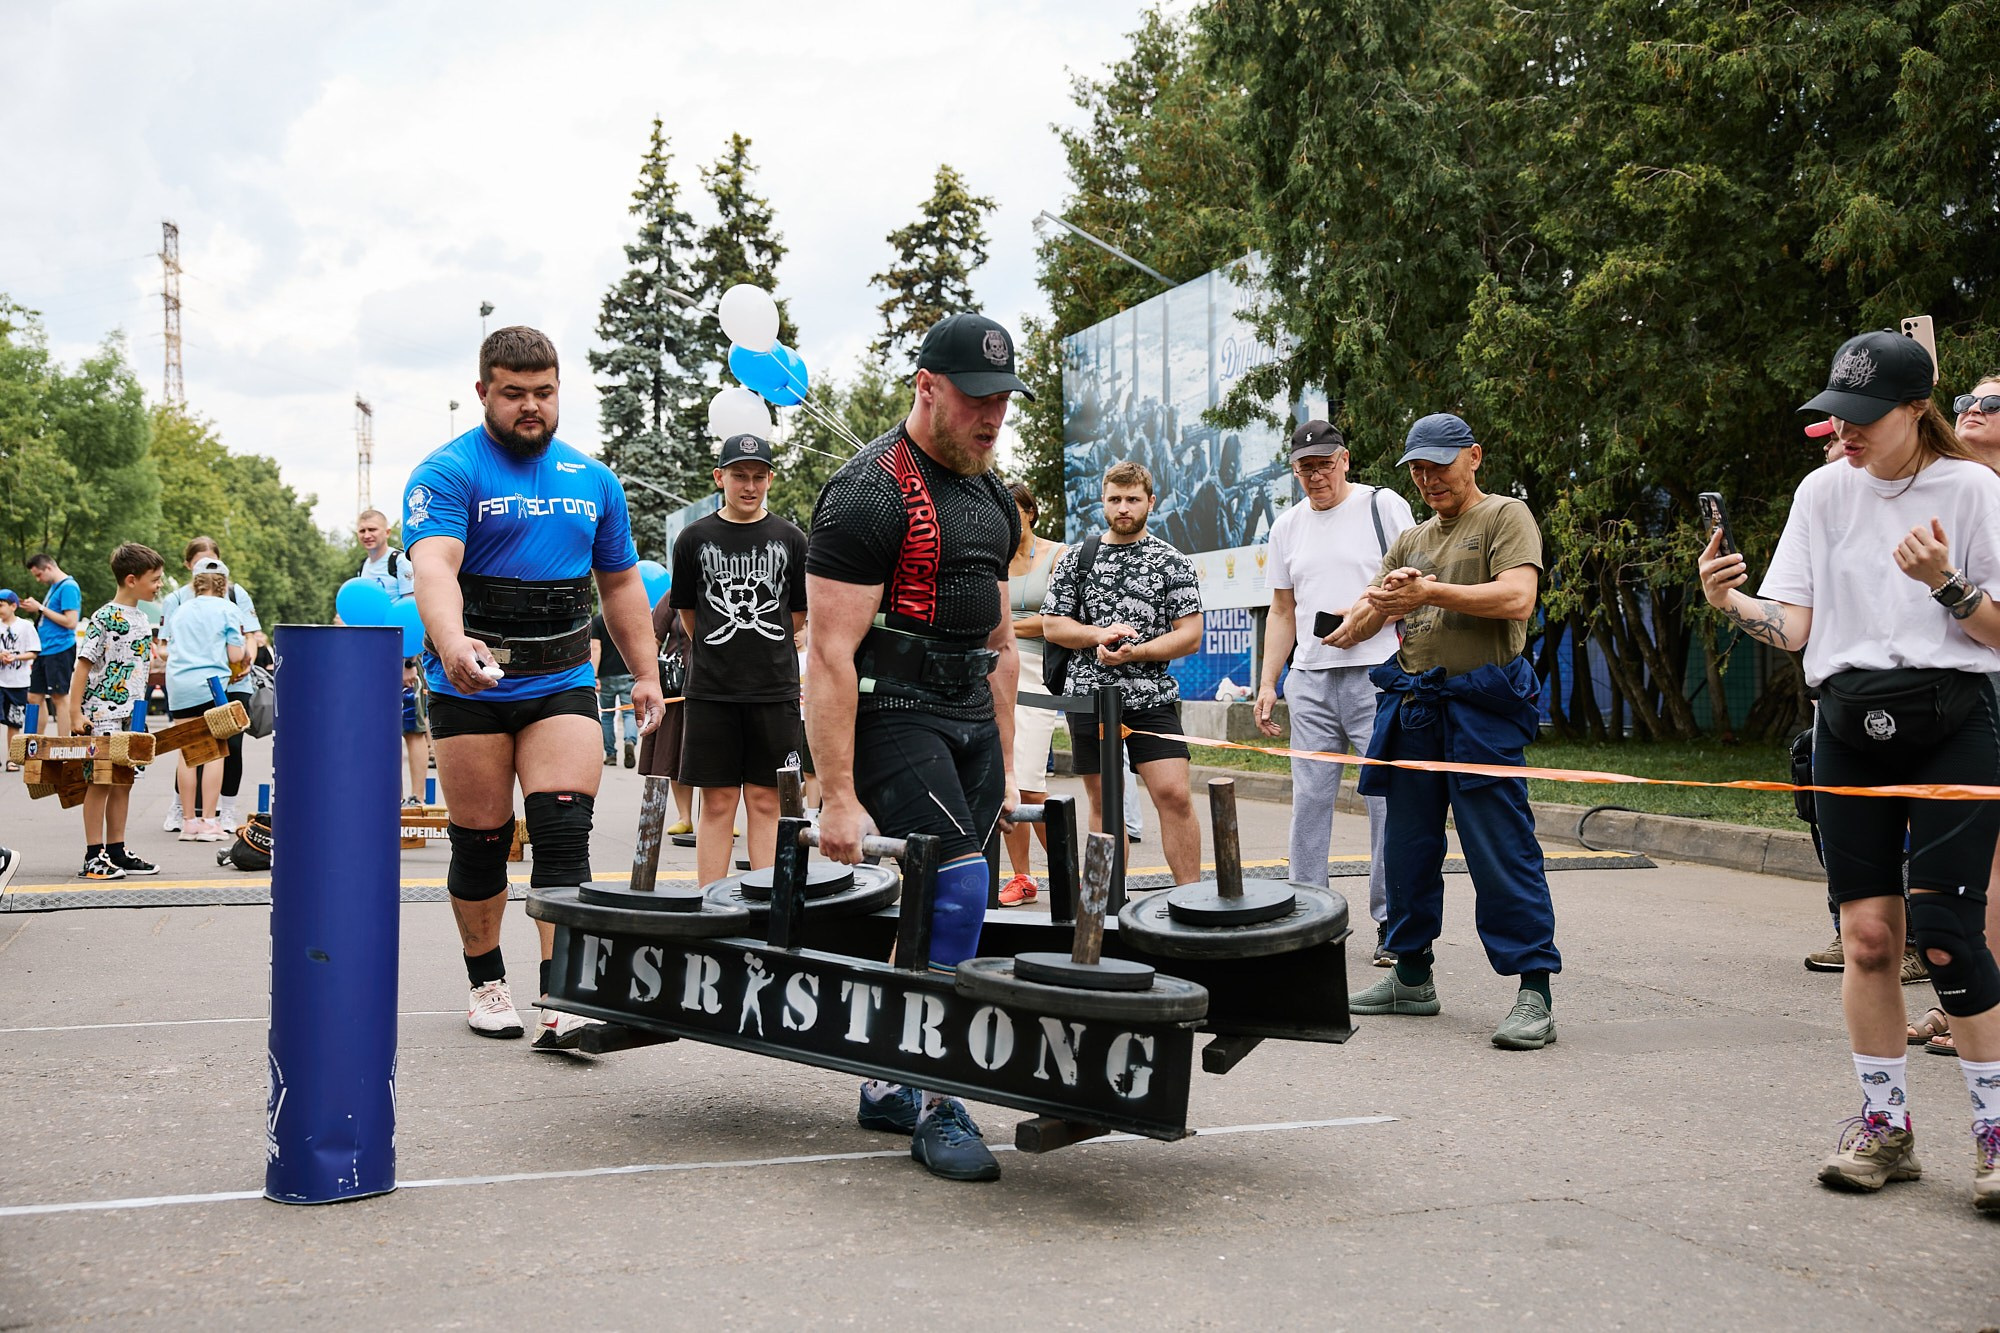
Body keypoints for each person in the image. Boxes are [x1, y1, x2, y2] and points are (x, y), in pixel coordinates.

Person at [1698, 330, 2000, 1212]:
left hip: (1953, 723)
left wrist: (1947, 583)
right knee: (1867, 938)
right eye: (1837, 414)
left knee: (1945, 932)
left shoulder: (1974, 490)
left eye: (1864, 417)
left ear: (1917, 410)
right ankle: (1884, 1126)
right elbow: (1793, 627)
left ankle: (1993, 1133)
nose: (1846, 431)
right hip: (1847, 724)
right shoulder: (1822, 491)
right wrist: (1727, 600)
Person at [806, 311, 1025, 1183]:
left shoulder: (992, 496)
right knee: (958, 890)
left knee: (951, 901)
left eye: (1003, 400)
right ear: (926, 388)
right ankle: (939, 1100)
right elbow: (828, 654)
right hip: (891, 711)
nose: (991, 416)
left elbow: (1002, 641)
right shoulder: (867, 493)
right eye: (976, 399)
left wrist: (1006, 759)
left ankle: (886, 1077)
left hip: (970, 715)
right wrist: (836, 794)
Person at [405, 325, 662, 1052]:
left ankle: (564, 993)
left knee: (562, 833)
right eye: (513, 393)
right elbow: (434, 567)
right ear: (482, 391)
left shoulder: (594, 480)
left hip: (561, 679)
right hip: (472, 685)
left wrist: (645, 672)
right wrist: (451, 642)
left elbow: (620, 584)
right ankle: (486, 982)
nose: (530, 406)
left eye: (543, 393)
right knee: (482, 842)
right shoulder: (448, 472)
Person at [1333, 412, 1560, 1051]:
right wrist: (1355, 619)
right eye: (1418, 470)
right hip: (1414, 707)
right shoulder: (1412, 538)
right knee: (1405, 847)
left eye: (1440, 465)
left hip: (1481, 709)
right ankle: (1410, 977)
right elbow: (1372, 609)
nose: (1429, 478)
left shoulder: (1505, 516)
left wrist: (1429, 593)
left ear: (1474, 457)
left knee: (1500, 849)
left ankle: (1535, 992)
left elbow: (1517, 598)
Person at [1256, 420, 1414, 966]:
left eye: (1325, 464)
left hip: (1379, 673)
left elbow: (1414, 585)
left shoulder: (1382, 505)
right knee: (1309, 802)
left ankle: (1393, 922)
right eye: (1305, 467)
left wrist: (1366, 617)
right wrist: (1268, 682)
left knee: (1386, 801)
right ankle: (1309, 916)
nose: (1316, 475)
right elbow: (1282, 610)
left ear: (1344, 460)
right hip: (1310, 678)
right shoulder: (1287, 526)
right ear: (1294, 471)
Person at [1041, 459, 1205, 886]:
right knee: (1104, 802)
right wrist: (1097, 635)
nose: (1123, 508)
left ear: (1151, 502)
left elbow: (1190, 635)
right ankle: (1107, 906)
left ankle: (1192, 900)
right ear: (1103, 501)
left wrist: (1137, 653)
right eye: (1115, 499)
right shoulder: (1077, 559)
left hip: (1152, 696)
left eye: (1133, 499)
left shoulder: (1172, 561)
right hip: (1088, 696)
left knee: (1174, 794)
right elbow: (1053, 625)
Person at [671, 433, 808, 890]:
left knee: (768, 802)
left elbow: (796, 615)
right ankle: (710, 903)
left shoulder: (791, 539)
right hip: (712, 692)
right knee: (717, 802)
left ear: (770, 479)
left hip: (774, 691)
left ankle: (764, 905)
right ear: (720, 477)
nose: (749, 486)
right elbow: (689, 614)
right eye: (739, 476)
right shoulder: (694, 538)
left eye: (758, 476)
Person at [1911, 373, 2000, 1060]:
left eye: (1991, 403)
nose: (1973, 409)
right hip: (1964, 693)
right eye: (1965, 401)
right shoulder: (1951, 490)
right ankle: (1969, 1004)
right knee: (1980, 867)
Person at [66, 543, 166, 880]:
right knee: (101, 781)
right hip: (102, 714)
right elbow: (83, 666)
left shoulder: (142, 618)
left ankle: (117, 850)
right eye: (155, 579)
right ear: (132, 579)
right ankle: (93, 855)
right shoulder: (104, 617)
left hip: (131, 716)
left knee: (124, 781)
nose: (159, 585)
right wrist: (75, 714)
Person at [158, 548, 263, 831]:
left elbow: (168, 647)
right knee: (216, 751)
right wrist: (241, 653)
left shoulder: (180, 609)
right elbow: (234, 654)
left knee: (188, 751)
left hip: (180, 685)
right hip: (212, 685)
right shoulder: (229, 609)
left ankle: (188, 821)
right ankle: (209, 821)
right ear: (223, 584)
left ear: (195, 582)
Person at [1000, 480, 1065, 907]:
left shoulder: (1058, 555)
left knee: (1031, 784)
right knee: (1006, 784)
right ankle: (1022, 877)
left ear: (1031, 512)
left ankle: (1067, 872)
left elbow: (1057, 620)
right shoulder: (993, 558)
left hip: (1039, 672)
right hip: (996, 668)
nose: (1008, 518)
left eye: (1015, 510)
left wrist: (1007, 625)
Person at [634, 586, 696, 835]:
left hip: (718, 683)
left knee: (717, 751)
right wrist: (647, 677)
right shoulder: (673, 595)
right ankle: (685, 816)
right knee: (674, 749)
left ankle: (719, 813)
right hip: (677, 685)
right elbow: (653, 638)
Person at [22, 552, 81, 736]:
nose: (38, 580)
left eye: (39, 575)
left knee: (59, 697)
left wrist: (40, 608)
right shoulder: (55, 587)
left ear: (48, 567)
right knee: (34, 696)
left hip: (60, 648)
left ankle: (64, 744)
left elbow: (71, 621)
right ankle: (37, 742)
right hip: (44, 649)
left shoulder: (69, 587)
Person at [588, 612, 638, 768]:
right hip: (628, 672)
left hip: (606, 675)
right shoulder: (628, 618)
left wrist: (594, 675)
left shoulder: (598, 621)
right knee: (629, 712)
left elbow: (595, 648)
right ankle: (630, 741)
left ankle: (610, 754)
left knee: (608, 715)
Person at [0, 590, 41, 765]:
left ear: (13, 606)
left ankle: (12, 758)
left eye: (1, 605)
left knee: (14, 722)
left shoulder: (25, 626)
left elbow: (34, 652)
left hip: (18, 682)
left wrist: (16, 657)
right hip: (0, 681)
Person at [356, 510, 414, 596]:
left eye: (372, 530)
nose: (367, 535)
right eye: (362, 531)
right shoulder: (363, 566)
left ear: (387, 532)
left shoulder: (400, 561)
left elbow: (410, 602)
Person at [401, 659, 430, 806]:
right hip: (375, 658)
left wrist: (409, 663)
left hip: (403, 658)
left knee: (413, 730)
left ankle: (417, 799)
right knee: (384, 733)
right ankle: (392, 797)